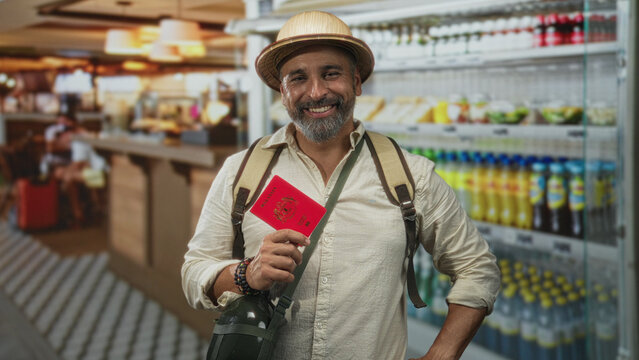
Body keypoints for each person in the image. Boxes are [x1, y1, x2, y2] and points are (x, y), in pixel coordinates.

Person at [182, 11, 500, 360]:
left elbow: (477, 268)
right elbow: (195, 272)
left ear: (357, 82)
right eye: (298, 78)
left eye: (331, 73)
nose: (316, 92)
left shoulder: (410, 176)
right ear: (282, 92)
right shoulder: (241, 172)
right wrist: (247, 273)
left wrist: (441, 354)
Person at [41, 113, 107, 226]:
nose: (63, 127)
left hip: (97, 174)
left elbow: (79, 163)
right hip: (95, 171)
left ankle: (80, 213)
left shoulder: (80, 137)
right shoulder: (70, 135)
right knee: (68, 178)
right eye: (60, 124)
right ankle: (80, 212)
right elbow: (51, 148)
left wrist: (66, 170)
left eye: (66, 124)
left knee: (68, 178)